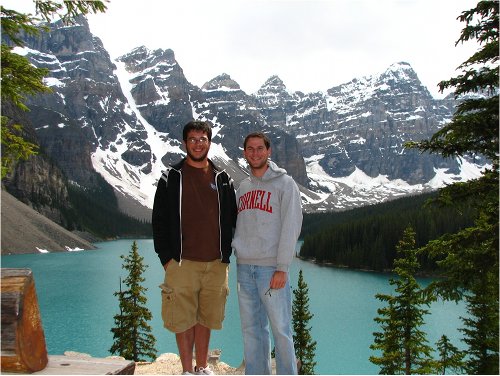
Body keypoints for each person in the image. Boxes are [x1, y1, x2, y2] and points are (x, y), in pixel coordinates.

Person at [152, 120, 237, 375]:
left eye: (203, 139)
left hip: (215, 264)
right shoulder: (171, 177)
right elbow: (159, 220)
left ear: (210, 142)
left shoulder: (223, 179)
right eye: (193, 139)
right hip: (182, 263)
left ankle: (202, 368)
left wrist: (227, 254)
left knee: (205, 319)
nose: (198, 144)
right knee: (183, 320)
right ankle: (187, 370)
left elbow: (233, 218)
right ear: (184, 143)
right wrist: (166, 258)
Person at [232, 132, 303, 375]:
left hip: (271, 270)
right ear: (244, 153)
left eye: (260, 148)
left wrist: (282, 267)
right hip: (245, 269)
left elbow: (291, 226)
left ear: (269, 151)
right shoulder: (242, 187)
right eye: (250, 149)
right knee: (252, 330)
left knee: (281, 330)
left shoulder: (285, 184)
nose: (255, 153)